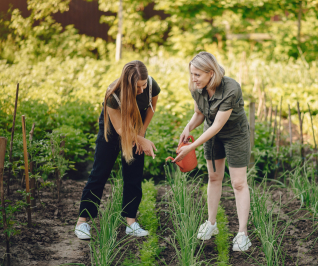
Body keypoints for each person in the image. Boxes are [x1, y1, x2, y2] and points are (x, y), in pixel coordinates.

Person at [173, 52, 251, 251]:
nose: (193, 78)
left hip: (235, 134)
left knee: (239, 183)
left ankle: (242, 234)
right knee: (214, 177)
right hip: (211, 134)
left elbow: (217, 125)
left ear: (211, 73)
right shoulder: (197, 88)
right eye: (192, 73)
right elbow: (200, 113)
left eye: (197, 74)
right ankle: (211, 224)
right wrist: (188, 127)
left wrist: (191, 147)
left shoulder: (231, 88)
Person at [74, 60, 160, 239]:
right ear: (128, 85)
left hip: (136, 128)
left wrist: (141, 134)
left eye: (144, 85)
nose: (142, 90)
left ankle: (131, 222)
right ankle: (82, 222)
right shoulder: (112, 95)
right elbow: (121, 130)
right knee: (100, 173)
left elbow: (151, 107)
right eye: (138, 87)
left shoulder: (150, 85)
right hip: (112, 130)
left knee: (134, 174)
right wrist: (141, 140)